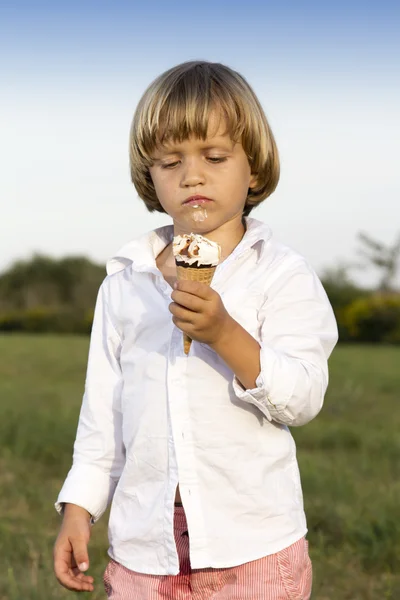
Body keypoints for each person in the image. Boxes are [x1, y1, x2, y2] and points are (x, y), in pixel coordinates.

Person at [53, 60, 338, 599]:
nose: (192, 175)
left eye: (215, 156)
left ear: (253, 169)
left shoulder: (280, 273)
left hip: (253, 549)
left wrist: (225, 333)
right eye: (169, 160)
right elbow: (102, 417)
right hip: (143, 553)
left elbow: (303, 398)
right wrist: (79, 507)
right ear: (149, 175)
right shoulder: (125, 285)